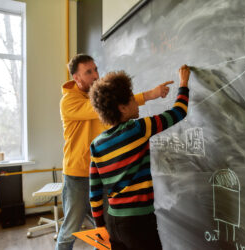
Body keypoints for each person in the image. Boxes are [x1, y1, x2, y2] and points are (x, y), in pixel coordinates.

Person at [57, 54, 173, 250]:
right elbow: (96, 108)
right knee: (70, 229)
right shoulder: (68, 101)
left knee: (103, 232)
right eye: (89, 72)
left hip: (102, 174)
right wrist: (148, 95)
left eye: (95, 69)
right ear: (76, 78)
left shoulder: (98, 96)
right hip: (77, 175)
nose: (95, 75)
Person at [88, 65, 190, 250]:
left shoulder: (96, 144)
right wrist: (183, 83)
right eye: (132, 100)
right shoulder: (138, 129)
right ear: (123, 108)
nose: (137, 103)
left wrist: (100, 226)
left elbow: (94, 193)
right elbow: (178, 112)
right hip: (138, 223)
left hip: (112, 222)